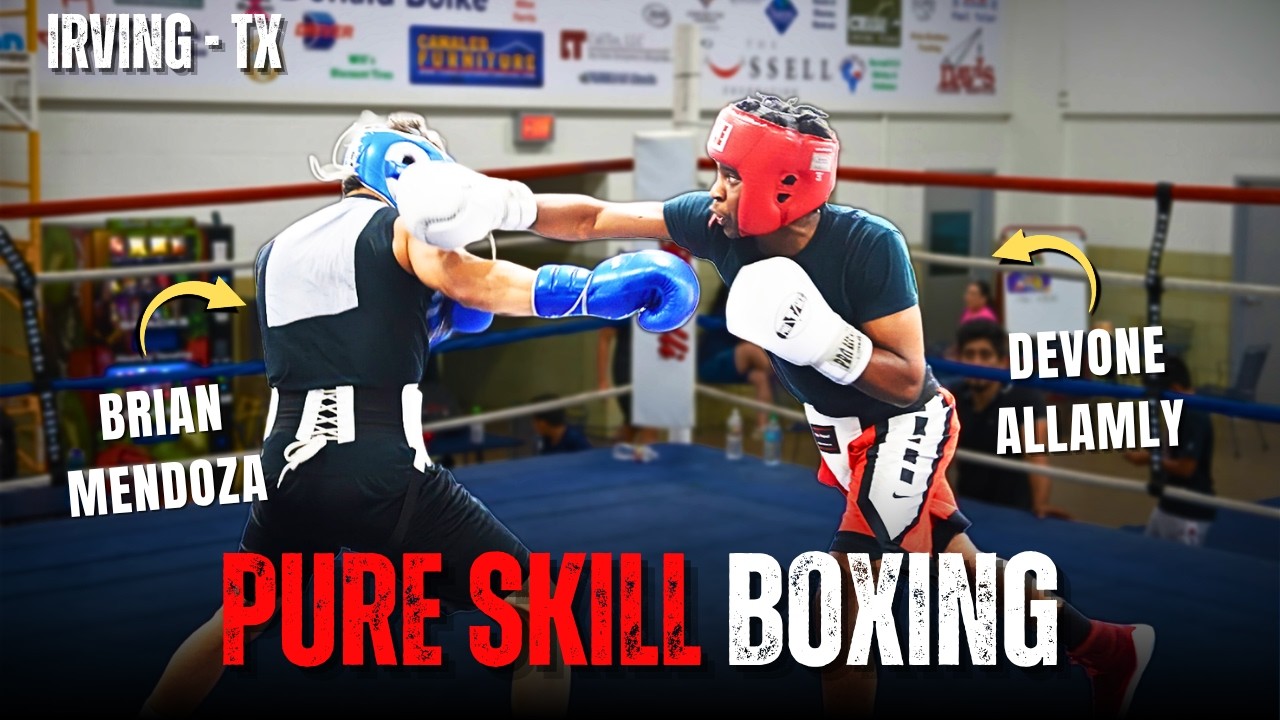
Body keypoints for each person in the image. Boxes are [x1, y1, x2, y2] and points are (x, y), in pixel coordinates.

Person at [415, 95, 1156, 717]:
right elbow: (594, 220)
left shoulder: (870, 246)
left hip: (902, 429)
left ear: (782, 186)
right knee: (964, 569)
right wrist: (497, 200)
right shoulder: (717, 223)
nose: (717, 190)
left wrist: (825, 341)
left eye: (732, 176)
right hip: (842, 438)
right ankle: (1105, 648)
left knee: (837, 621)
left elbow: (907, 379)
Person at [139, 111, 700, 718]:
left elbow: (346, 341)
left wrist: (426, 321)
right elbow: (478, 286)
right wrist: (593, 291)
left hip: (283, 469)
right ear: (407, 166)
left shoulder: (273, 252)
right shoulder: (404, 227)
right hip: (379, 467)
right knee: (537, 608)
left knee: (238, 622)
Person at [951, 320, 1071, 519]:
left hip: (1014, 513)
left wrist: (1041, 505)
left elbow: (1036, 457)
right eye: (969, 354)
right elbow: (941, 460)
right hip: (969, 509)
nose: (976, 363)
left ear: (1002, 362)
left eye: (985, 355)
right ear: (959, 360)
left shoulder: (1025, 398)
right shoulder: (953, 399)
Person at [1123, 355, 1216, 546]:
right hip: (1169, 503)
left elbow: (1186, 468)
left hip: (1189, 510)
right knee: (1147, 558)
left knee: (1181, 569)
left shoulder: (1193, 415)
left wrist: (1150, 458)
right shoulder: (1177, 408)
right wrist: (1145, 454)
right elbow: (1169, 453)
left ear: (1174, 389)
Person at [698, 283, 776, 435]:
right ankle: (785, 378)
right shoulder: (724, 314)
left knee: (760, 378)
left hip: (734, 366)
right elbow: (701, 320)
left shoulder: (746, 317)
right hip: (710, 365)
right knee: (750, 350)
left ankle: (762, 428)